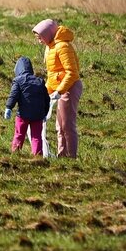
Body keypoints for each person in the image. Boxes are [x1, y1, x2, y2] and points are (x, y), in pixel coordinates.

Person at [32, 19, 83, 158]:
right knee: (59, 127)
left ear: (47, 33)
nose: (39, 41)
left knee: (67, 125)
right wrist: (45, 92)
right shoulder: (51, 46)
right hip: (58, 90)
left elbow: (72, 73)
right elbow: (53, 74)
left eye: (39, 37)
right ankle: (62, 156)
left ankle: (71, 157)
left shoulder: (63, 47)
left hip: (69, 88)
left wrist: (59, 91)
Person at [4, 56, 51, 155]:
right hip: (38, 115)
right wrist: (45, 113)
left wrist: (8, 107)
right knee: (37, 136)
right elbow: (46, 99)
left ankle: (15, 153)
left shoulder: (18, 80)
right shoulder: (40, 81)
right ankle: (37, 155)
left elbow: (13, 95)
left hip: (23, 115)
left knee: (19, 134)